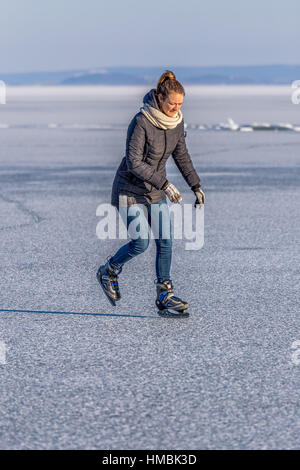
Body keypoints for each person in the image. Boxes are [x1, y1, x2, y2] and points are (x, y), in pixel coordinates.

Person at [97, 70, 205, 315]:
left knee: (165, 240)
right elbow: (134, 162)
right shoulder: (141, 121)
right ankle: (109, 271)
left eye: (180, 104)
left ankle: (165, 295)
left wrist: (195, 185)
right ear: (159, 97)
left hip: (154, 191)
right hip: (129, 189)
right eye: (171, 103)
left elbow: (181, 155)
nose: (175, 108)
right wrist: (165, 183)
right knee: (141, 242)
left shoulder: (177, 122)